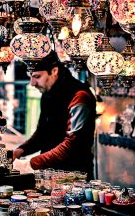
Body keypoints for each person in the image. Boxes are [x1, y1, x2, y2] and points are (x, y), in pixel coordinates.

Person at [13, 51, 96, 180]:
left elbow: (72, 144)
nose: (32, 83)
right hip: (48, 174)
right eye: (30, 76)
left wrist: (30, 164)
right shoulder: (47, 93)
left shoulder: (79, 95)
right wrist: (20, 151)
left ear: (55, 71)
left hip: (74, 176)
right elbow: (42, 133)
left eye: (37, 76)